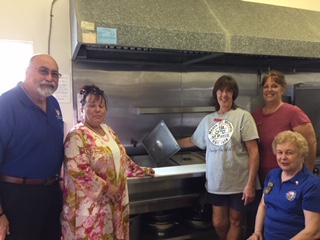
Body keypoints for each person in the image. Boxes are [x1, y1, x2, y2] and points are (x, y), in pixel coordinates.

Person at [61, 84, 155, 240]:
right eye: (92, 105)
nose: (98, 109)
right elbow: (78, 170)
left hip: (114, 202)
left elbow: (122, 159)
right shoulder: (77, 135)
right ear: (82, 109)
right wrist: (106, 188)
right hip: (90, 206)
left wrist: (142, 170)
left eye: (101, 105)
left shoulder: (108, 130)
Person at [178, 75, 261, 240]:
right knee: (218, 223)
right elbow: (192, 140)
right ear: (215, 94)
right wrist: (167, 143)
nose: (224, 94)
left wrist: (250, 184)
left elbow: (254, 152)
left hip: (240, 182)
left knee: (236, 221)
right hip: (217, 182)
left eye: (229, 91)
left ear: (234, 94)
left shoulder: (243, 117)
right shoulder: (208, 120)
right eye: (221, 90)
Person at [0, 54, 64, 240]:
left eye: (55, 74)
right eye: (43, 71)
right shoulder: (6, 105)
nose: (49, 78)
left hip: (50, 194)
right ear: (27, 73)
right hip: (17, 197)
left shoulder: (53, 104)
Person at [248, 131, 320, 240]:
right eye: (279, 152)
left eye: (289, 153)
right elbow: (263, 205)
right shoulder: (273, 175)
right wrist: (257, 232)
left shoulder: (312, 185)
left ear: (302, 155)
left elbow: (313, 232)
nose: (283, 157)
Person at [252, 70, 316, 184]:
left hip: (290, 177)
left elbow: (310, 143)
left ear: (282, 89)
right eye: (266, 86)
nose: (269, 90)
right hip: (263, 178)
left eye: (274, 86)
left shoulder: (293, 112)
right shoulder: (255, 116)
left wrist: (307, 174)